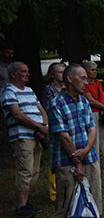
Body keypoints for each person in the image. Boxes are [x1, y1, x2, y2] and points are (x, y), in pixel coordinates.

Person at [49, 63, 104, 218]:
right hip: (66, 160)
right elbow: (63, 136)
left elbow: (91, 129)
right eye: (82, 78)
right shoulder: (56, 103)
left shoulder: (83, 102)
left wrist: (85, 151)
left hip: (88, 157)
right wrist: (77, 161)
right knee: (67, 199)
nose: (86, 82)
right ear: (69, 79)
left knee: (91, 195)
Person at [3, 62, 48, 217]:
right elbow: (17, 114)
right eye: (23, 71)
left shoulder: (29, 90)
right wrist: (39, 127)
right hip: (22, 136)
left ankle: (26, 202)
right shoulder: (8, 91)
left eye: (28, 71)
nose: (27, 74)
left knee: (34, 171)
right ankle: (21, 206)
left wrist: (44, 126)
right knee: (25, 170)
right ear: (14, 74)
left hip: (37, 135)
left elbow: (41, 109)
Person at [81, 60, 104, 169]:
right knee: (94, 139)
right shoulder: (84, 84)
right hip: (92, 113)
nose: (95, 72)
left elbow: (100, 94)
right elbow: (91, 101)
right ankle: (95, 163)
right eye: (92, 70)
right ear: (86, 71)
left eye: (96, 70)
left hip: (101, 112)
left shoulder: (96, 82)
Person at [42, 62, 66, 202]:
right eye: (59, 72)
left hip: (69, 125)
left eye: (64, 71)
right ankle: (54, 193)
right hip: (55, 126)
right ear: (52, 75)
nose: (62, 74)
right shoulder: (49, 89)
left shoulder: (67, 88)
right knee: (55, 158)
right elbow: (50, 108)